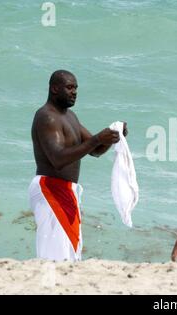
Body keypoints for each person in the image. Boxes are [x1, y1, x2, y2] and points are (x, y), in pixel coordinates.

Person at [28, 70, 127, 262]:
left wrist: (113, 136)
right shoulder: (47, 117)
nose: (74, 92)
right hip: (50, 188)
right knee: (55, 256)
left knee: (70, 252)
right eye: (70, 87)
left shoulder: (71, 116)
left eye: (76, 88)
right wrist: (98, 138)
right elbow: (58, 159)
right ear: (55, 88)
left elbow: (95, 150)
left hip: (67, 190)